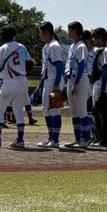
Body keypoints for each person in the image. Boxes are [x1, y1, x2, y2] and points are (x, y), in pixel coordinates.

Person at [0, 25, 33, 149]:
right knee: (18, 110)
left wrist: (3, 67)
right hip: (22, 81)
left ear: (3, 35)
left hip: (9, 81)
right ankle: (20, 139)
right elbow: (30, 62)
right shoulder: (21, 47)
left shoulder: (1, 49)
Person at [37, 20, 66, 149]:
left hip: (55, 81)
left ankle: (55, 140)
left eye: (41, 32)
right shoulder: (46, 46)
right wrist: (41, 85)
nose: (40, 35)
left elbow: (60, 66)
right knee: (46, 110)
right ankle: (51, 138)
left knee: (55, 110)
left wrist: (56, 84)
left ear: (47, 32)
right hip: (48, 81)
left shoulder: (54, 46)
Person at [62, 21, 89, 150]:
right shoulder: (72, 46)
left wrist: (76, 83)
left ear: (75, 31)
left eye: (69, 30)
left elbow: (82, 65)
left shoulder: (81, 46)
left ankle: (86, 139)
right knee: (74, 112)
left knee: (82, 110)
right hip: (71, 80)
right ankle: (78, 139)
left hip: (80, 80)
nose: (68, 32)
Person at [89, 27, 107, 148]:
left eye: (96, 37)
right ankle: (100, 137)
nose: (93, 39)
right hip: (98, 82)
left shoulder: (105, 51)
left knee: (102, 111)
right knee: (96, 111)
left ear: (102, 38)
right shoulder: (100, 50)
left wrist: (103, 89)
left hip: (103, 82)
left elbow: (104, 70)